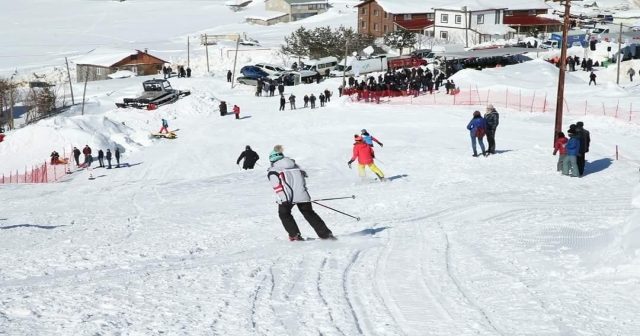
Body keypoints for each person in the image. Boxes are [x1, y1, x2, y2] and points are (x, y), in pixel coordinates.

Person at [267, 145, 336, 241]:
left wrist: (283, 198)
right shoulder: (296, 167)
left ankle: (295, 236)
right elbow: (302, 182)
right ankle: (326, 235)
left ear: (271, 160)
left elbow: (277, 186)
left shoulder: (274, 170)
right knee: (309, 214)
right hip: (302, 195)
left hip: (287, 198)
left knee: (284, 214)